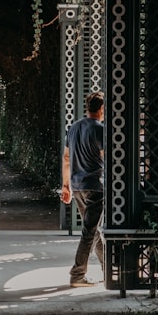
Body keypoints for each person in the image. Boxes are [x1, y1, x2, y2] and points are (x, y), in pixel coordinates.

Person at [61, 91, 105, 287]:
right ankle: (78, 274)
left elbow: (66, 158)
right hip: (95, 186)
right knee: (90, 232)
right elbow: (107, 157)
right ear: (102, 109)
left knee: (94, 231)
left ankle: (109, 269)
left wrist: (65, 186)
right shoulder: (100, 129)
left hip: (77, 186)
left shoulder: (73, 128)